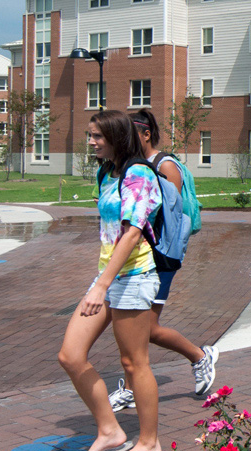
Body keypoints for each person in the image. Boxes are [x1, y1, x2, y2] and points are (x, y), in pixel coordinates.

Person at [58, 110, 164, 451]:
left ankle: (150, 443)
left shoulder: (138, 174)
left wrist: (101, 286)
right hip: (109, 275)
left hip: (133, 276)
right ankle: (109, 432)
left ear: (117, 137)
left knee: (134, 363)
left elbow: (133, 232)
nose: (91, 142)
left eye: (97, 137)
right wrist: (102, 279)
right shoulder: (108, 172)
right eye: (90, 135)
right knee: (71, 355)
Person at [106, 110, 218, 413]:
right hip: (133, 257)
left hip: (158, 257)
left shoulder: (164, 165)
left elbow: (165, 213)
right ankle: (131, 386)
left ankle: (199, 356)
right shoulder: (128, 166)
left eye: (129, 133)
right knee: (132, 326)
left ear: (145, 134)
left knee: (149, 327)